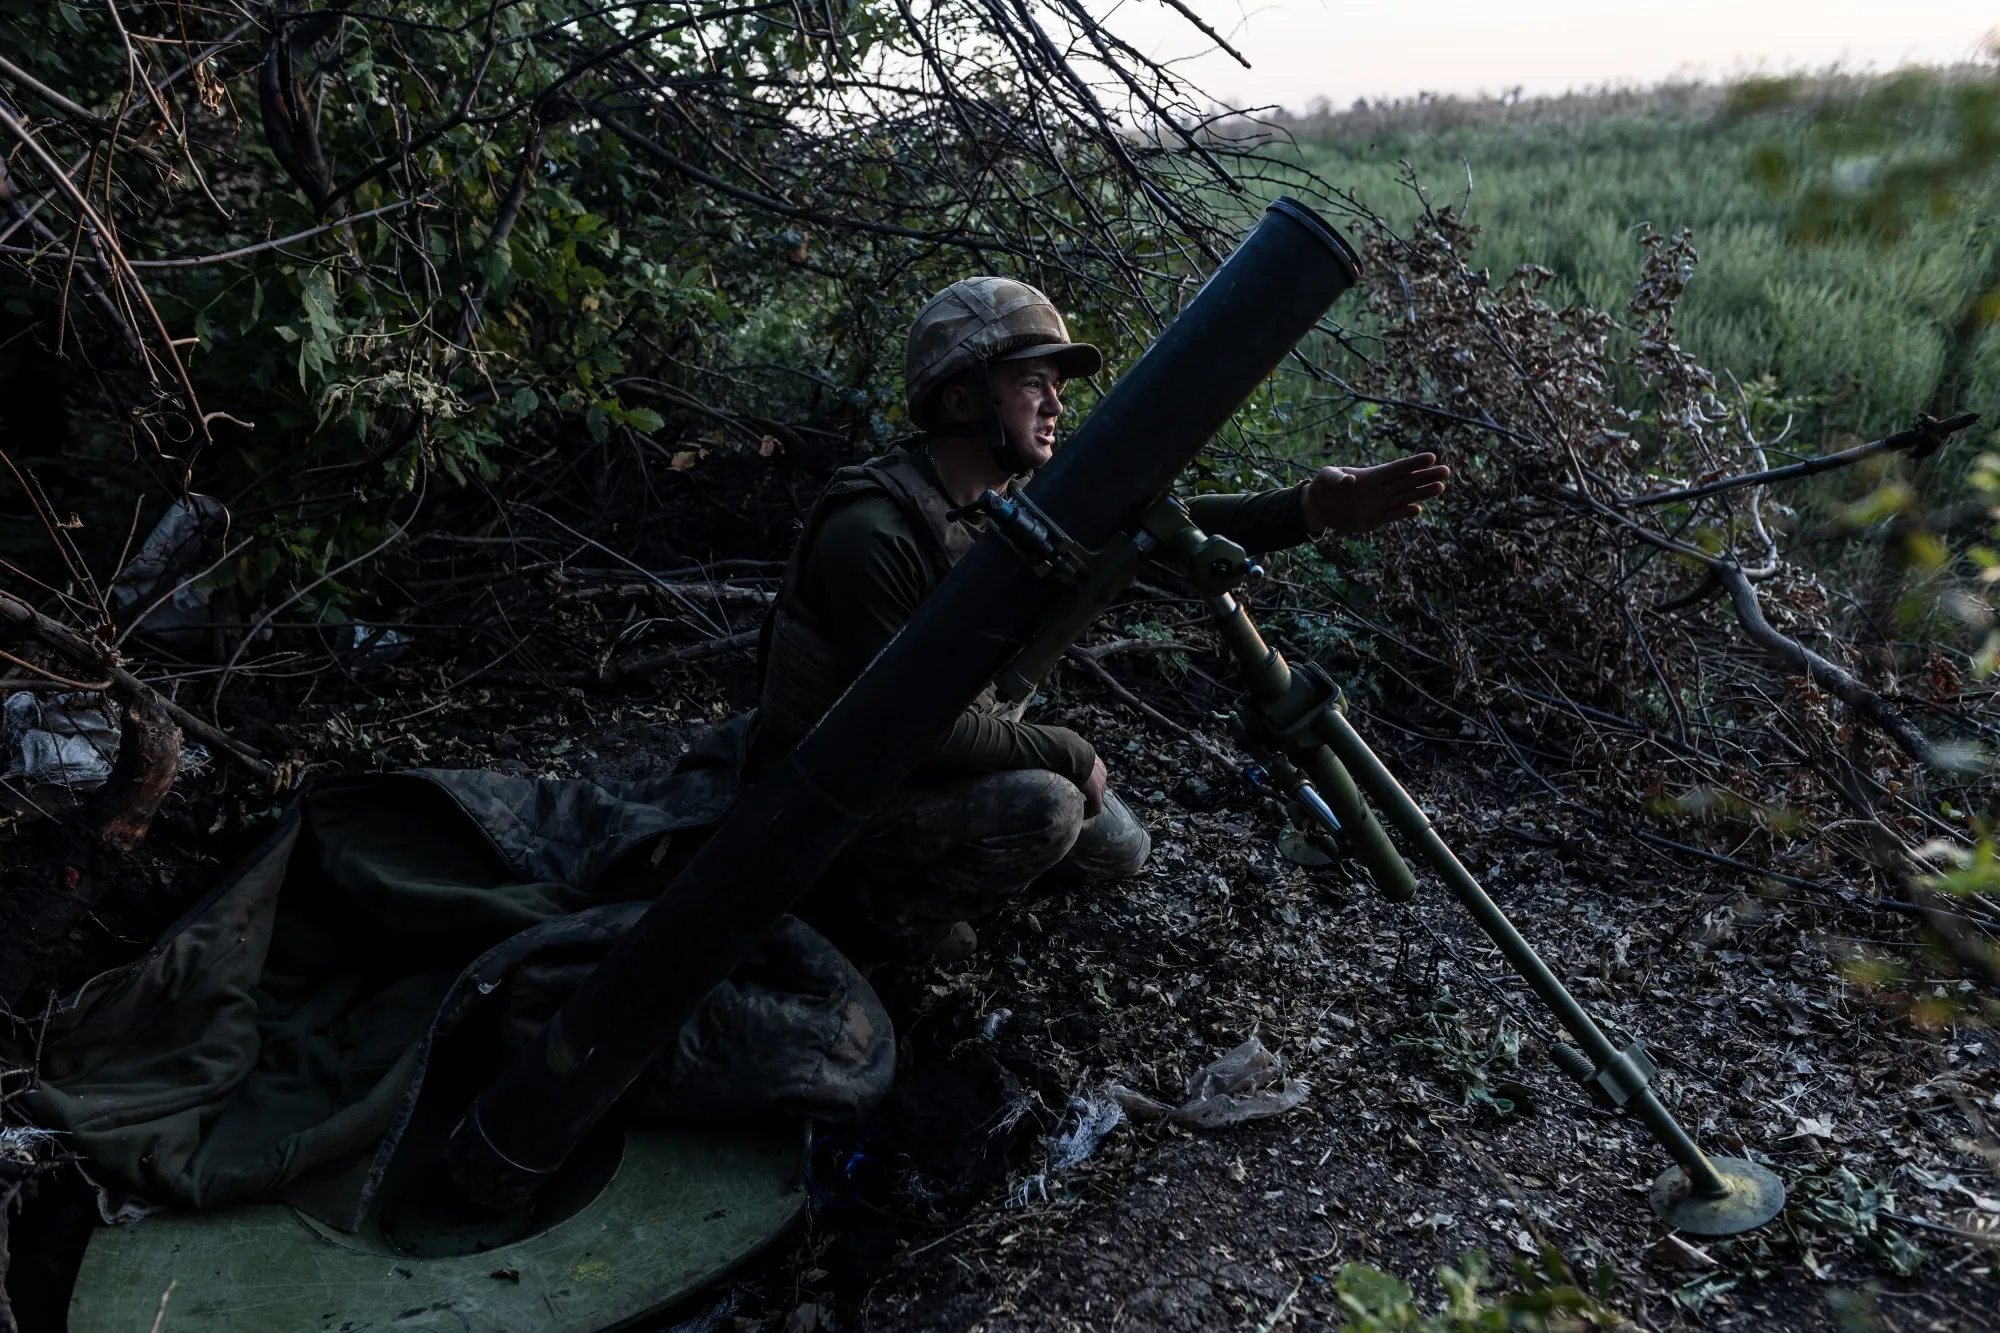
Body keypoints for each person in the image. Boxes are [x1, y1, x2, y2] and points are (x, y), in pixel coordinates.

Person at [754, 276, 1448, 958]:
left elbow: (1159, 525)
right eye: (1031, 383)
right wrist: (1070, 751)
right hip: (848, 791)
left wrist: (1307, 510)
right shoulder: (873, 532)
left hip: (944, 751)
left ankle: (955, 858)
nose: (1055, 404)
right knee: (1054, 806)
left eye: (1056, 384)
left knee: (1122, 845)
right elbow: (906, 733)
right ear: (962, 398)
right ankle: (873, 915)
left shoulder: (1014, 497)